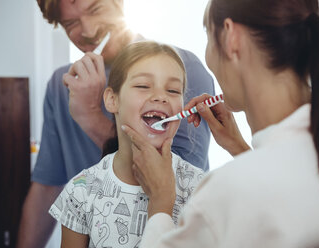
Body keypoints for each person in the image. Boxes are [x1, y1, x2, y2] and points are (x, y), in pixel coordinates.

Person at [121, 0, 319, 247]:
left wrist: (159, 204)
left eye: (208, 36)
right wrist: (240, 150)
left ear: (231, 37)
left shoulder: (224, 195)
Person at [17, 0, 214, 247]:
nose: (88, 31)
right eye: (71, 23)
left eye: (95, 9)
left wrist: (90, 115)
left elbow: (171, 178)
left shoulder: (181, 68)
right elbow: (47, 186)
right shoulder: (61, 86)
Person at [48, 41, 205, 248]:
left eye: (174, 91)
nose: (160, 97)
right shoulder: (81, 191)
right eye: (143, 86)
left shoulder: (201, 189)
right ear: (112, 100)